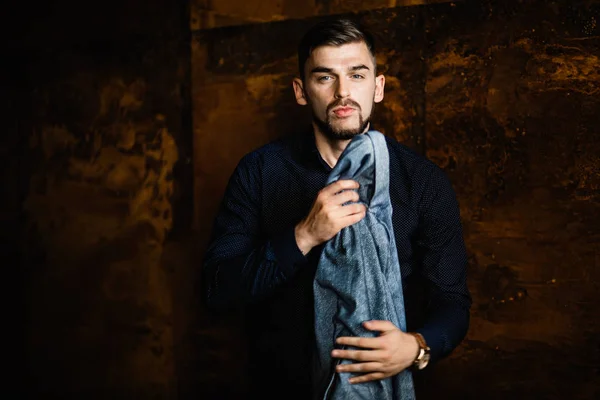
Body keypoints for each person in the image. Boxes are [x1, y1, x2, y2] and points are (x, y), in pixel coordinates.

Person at [202, 18, 471, 399]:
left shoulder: (423, 181)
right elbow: (217, 290)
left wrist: (416, 346)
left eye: (357, 75)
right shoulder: (259, 172)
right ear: (301, 90)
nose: (343, 92)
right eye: (325, 77)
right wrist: (303, 235)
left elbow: (452, 301)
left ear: (378, 87)